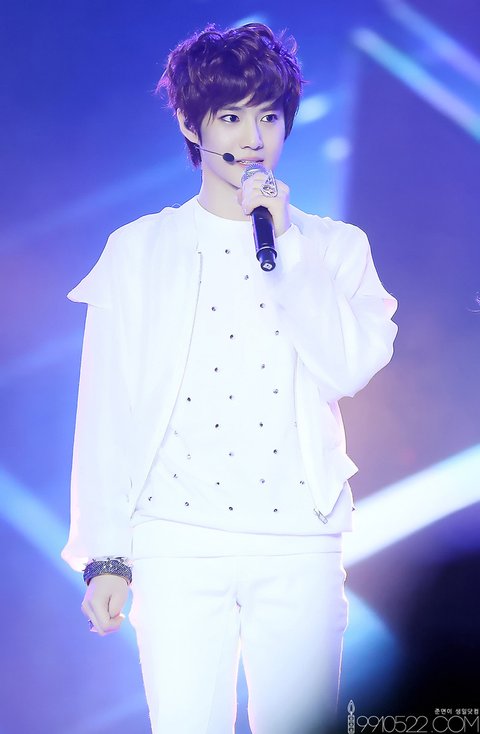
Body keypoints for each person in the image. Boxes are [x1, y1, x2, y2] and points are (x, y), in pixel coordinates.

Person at [62, 22, 397, 734]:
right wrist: (106, 557)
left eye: (268, 117)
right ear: (192, 124)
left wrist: (289, 247)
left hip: (299, 539)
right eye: (232, 117)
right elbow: (105, 410)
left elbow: (347, 366)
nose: (253, 139)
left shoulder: (334, 247)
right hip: (177, 541)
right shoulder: (139, 250)